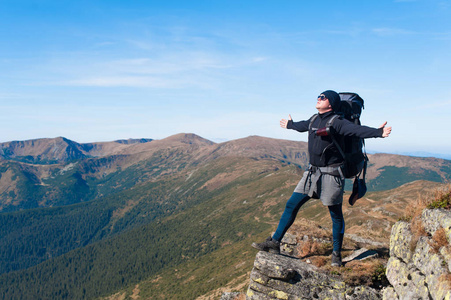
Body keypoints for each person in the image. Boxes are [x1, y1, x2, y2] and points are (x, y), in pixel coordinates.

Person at [252, 90, 392, 266]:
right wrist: (290, 124)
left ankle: (336, 255)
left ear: (331, 103)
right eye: (318, 96)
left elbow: (357, 131)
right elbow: (303, 126)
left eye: (323, 97)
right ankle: (275, 242)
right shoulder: (314, 119)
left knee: (335, 215)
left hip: (332, 175)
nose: (318, 99)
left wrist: (379, 132)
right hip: (311, 173)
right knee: (291, 205)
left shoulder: (337, 122)